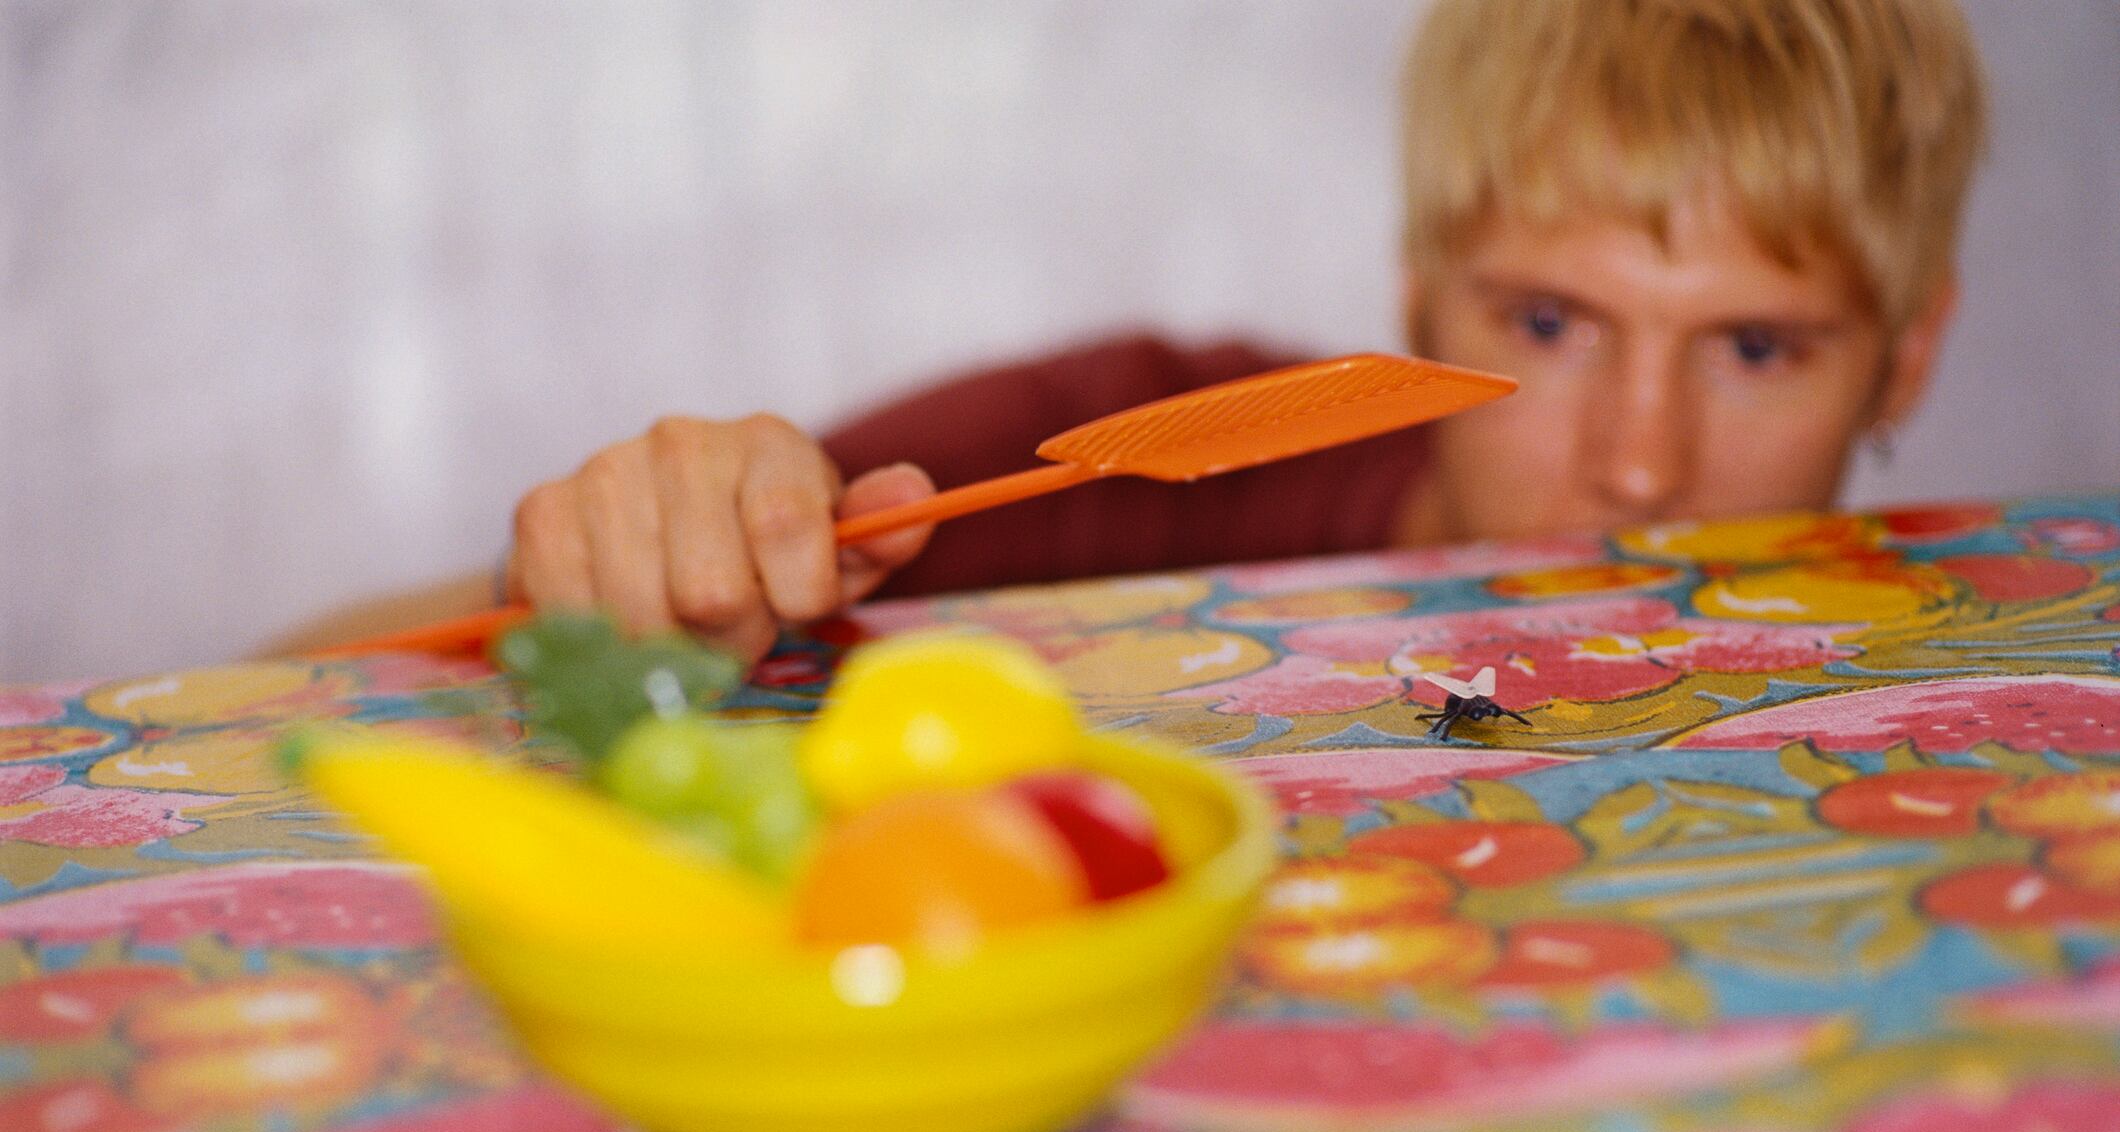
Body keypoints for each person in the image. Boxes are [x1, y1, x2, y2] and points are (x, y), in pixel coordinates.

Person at [296, 0, 1987, 666]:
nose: (1640, 465)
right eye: (1548, 322)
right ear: (1415, 295)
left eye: (1756, 349)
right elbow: (310, 666)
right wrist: (621, 569)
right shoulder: (1127, 457)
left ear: (1908, 357)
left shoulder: (2016, 658)